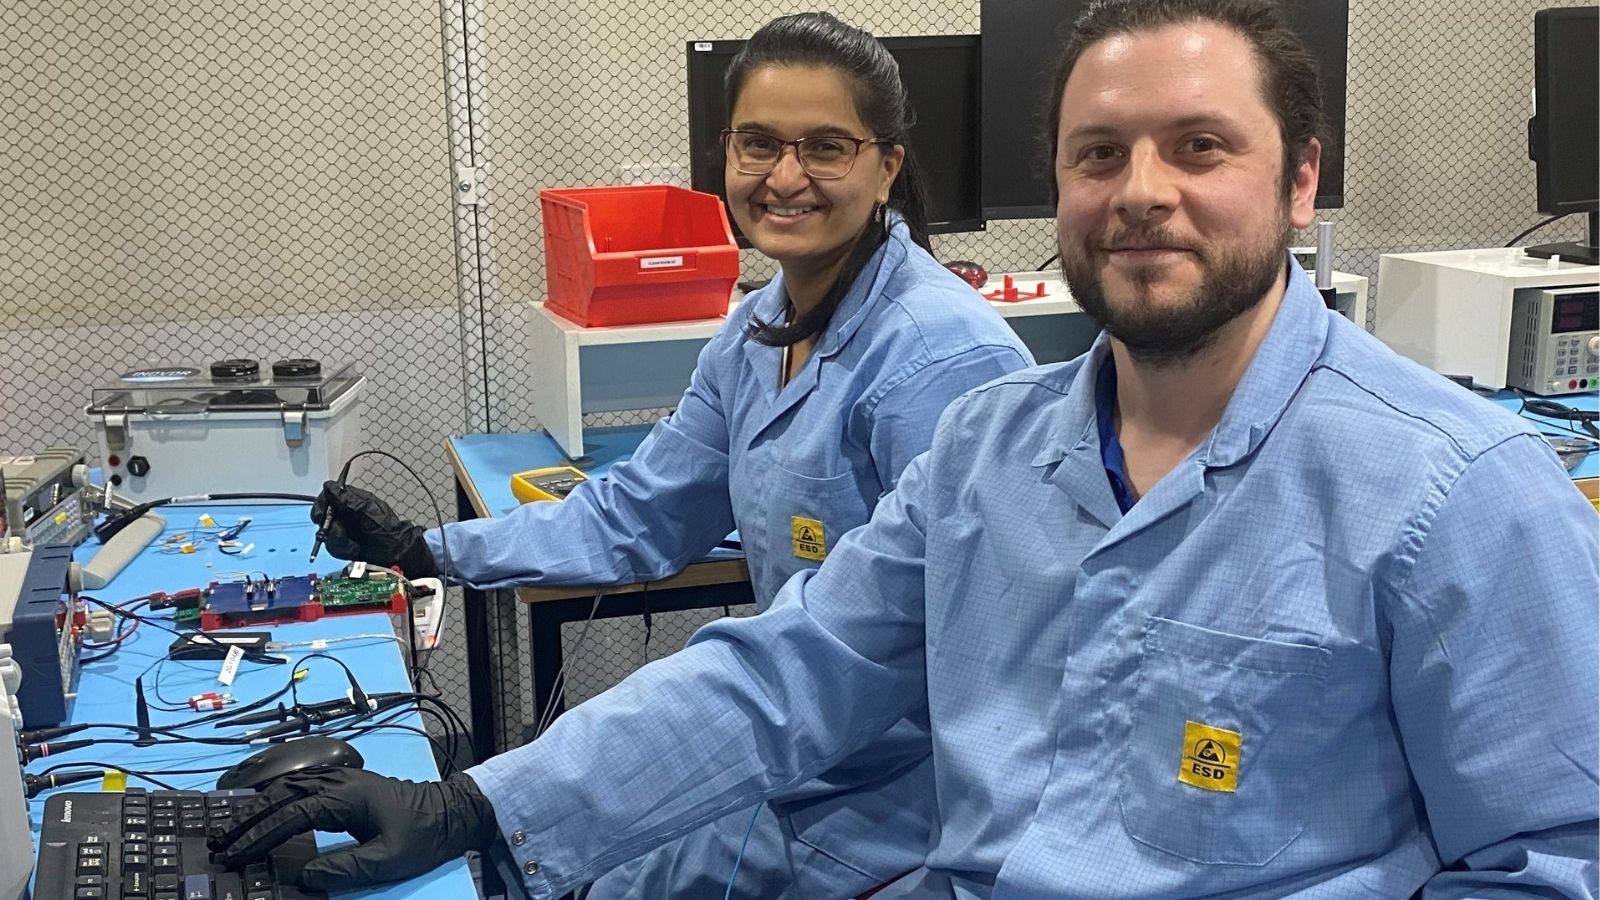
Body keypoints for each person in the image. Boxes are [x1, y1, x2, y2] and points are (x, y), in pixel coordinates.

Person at [211, 0, 1600, 896]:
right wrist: (474, 808)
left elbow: (1556, 858)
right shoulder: (995, 451)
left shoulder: (1458, 496)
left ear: (1300, 181)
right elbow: (785, 673)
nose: (1142, 194)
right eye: (1099, 154)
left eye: (1200, 147)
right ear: (1054, 187)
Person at [270, 12, 1033, 898]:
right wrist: (428, 551)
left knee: (543, 866)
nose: (786, 177)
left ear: (886, 165)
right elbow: (641, 511)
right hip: (793, 753)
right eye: (759, 144)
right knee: (532, 866)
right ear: (725, 154)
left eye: (826, 147)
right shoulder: (756, 329)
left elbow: (847, 654)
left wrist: (481, 800)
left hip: (894, 807)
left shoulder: (944, 362)